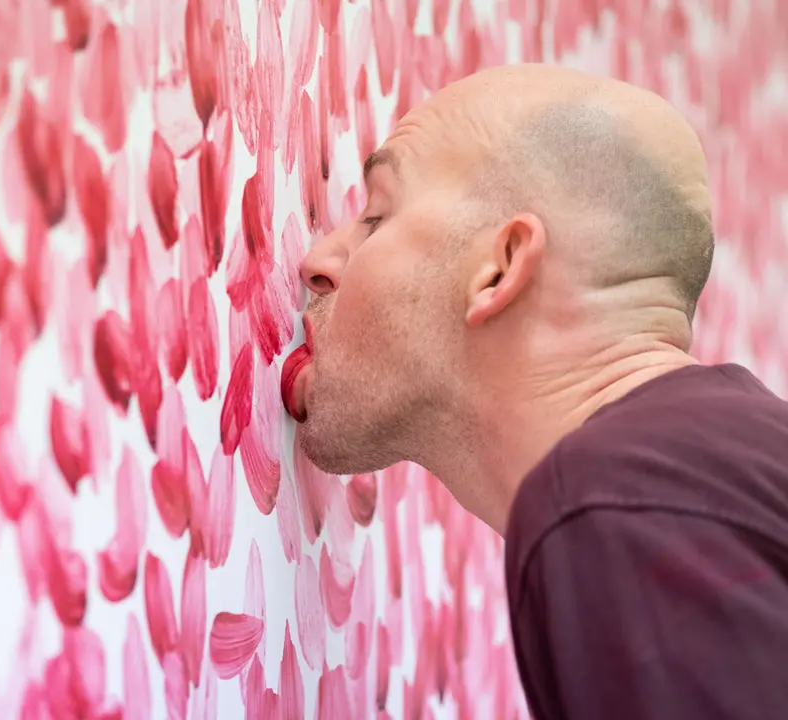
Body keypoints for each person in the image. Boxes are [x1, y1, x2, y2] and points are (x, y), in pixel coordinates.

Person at [281, 63, 788, 719]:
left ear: (499, 268)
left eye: (376, 217)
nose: (318, 262)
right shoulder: (722, 460)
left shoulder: (613, 502)